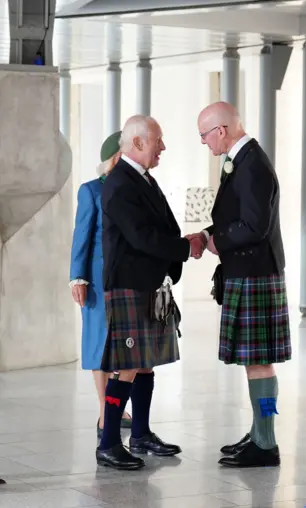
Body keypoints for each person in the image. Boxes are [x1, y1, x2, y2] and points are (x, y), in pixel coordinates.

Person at [96, 115, 202, 470]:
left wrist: (182, 245)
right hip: (128, 283)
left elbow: (162, 227)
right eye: (158, 140)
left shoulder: (140, 179)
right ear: (138, 143)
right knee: (126, 367)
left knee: (144, 363)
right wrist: (185, 249)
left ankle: (140, 433)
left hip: (147, 283)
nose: (163, 147)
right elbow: (142, 237)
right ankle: (109, 442)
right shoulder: (120, 183)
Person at [191, 101, 291, 468]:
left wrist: (217, 242)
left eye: (204, 134)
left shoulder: (253, 165)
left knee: (259, 362)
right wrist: (207, 233)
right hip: (249, 272)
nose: (204, 142)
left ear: (221, 130)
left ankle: (266, 442)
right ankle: (259, 431)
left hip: (256, 274)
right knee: (256, 361)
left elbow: (254, 226)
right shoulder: (243, 160)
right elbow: (238, 217)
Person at [69, 131, 133, 439]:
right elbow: (81, 235)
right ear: (116, 158)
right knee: (99, 345)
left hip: (128, 279)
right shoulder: (90, 190)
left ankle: (117, 408)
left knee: (126, 347)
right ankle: (105, 413)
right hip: (96, 280)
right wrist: (77, 276)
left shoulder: (135, 189)